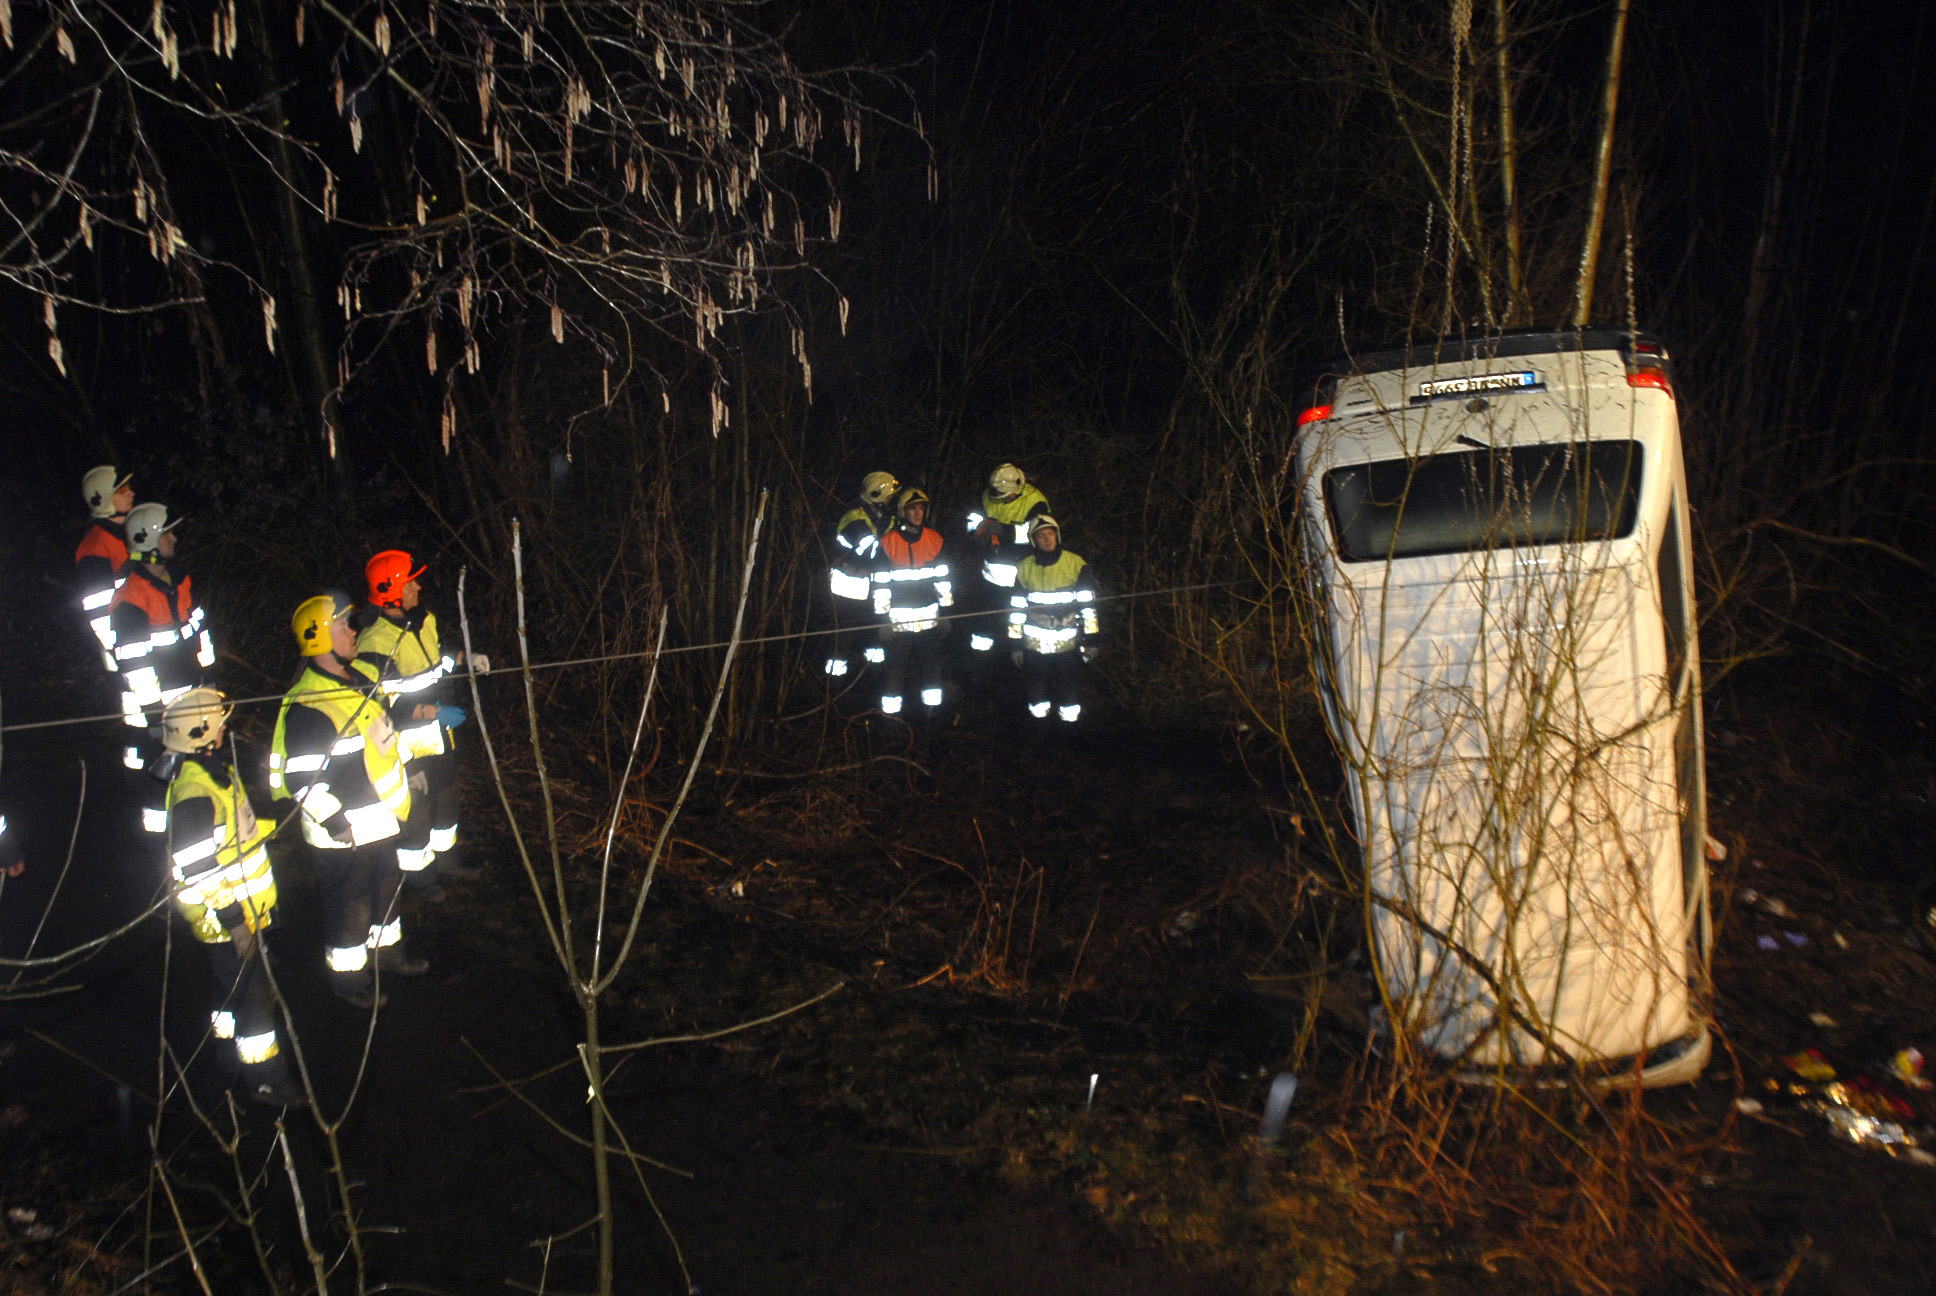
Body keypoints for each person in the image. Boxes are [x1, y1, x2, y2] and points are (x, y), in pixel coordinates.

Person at [270, 594, 427, 1008]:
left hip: (379, 820)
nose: (353, 631)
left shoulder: (357, 680)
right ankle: (349, 981)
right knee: (350, 907)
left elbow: (382, 738)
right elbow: (301, 781)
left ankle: (388, 955)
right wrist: (337, 822)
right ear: (320, 638)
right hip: (343, 833)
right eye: (343, 626)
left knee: (386, 890)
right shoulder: (311, 706)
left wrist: (409, 767)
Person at [158, 688, 305, 1108]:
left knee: (229, 990)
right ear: (201, 732)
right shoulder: (194, 793)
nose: (225, 727)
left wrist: (269, 826)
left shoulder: (212, 773)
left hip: (234, 913)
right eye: (219, 723)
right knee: (255, 995)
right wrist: (235, 922)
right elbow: (199, 867)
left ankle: (226, 1056)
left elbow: (229, 833)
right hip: (223, 918)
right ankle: (266, 1080)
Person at [354, 550, 488, 896]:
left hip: (437, 736)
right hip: (404, 747)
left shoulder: (423, 620)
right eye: (410, 582)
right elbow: (378, 709)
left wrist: (466, 658)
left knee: (447, 796)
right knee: (416, 811)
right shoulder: (374, 642)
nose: (418, 586)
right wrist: (431, 712)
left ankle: (448, 861)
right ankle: (420, 878)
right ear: (390, 591)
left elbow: (437, 656)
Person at [107, 503, 214, 836]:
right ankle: (160, 852)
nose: (174, 538)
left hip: (193, 705)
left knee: (198, 782)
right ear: (148, 540)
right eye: (168, 533)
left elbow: (200, 633)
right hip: (155, 720)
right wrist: (157, 718)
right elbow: (136, 666)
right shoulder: (131, 598)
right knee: (159, 796)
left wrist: (209, 681)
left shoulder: (180, 581)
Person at [1007, 515, 1099, 724]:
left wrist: (1092, 640)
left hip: (1068, 647)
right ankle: (1038, 727)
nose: (1047, 539)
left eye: (1050, 534)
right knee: (1037, 694)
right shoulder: (1024, 567)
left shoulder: (1075, 563)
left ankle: (1069, 729)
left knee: (1070, 693)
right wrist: (1015, 645)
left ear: (1057, 535)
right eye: (1041, 536)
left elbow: (1088, 607)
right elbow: (1016, 610)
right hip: (1034, 648)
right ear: (1034, 541)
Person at [870, 487, 953, 719]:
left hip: (929, 621)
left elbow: (943, 581)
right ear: (902, 512)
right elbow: (880, 585)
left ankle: (931, 717)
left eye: (921, 508)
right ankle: (890, 720)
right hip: (898, 624)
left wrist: (946, 614)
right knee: (895, 670)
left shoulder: (934, 540)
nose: (918, 513)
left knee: (931, 667)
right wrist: (882, 620)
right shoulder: (888, 542)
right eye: (912, 508)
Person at [824, 471, 899, 678]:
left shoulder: (885, 517)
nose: (892, 497)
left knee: (873, 638)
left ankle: (871, 678)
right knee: (843, 637)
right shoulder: (855, 518)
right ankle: (834, 681)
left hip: (875, 589)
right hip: (848, 589)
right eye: (889, 493)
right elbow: (871, 552)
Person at [75, 465, 134, 670]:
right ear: (102, 499)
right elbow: (100, 618)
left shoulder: (126, 536)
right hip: (130, 659)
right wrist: (124, 658)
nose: (130, 493)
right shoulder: (96, 547)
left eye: (129, 488)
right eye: (122, 490)